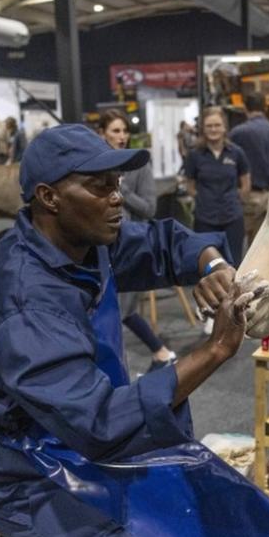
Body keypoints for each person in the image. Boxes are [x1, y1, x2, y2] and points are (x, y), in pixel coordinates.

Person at [0, 124, 257, 537]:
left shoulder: (79, 239)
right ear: (49, 197)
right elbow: (99, 422)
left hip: (78, 432)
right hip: (20, 464)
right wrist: (215, 349)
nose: (117, 198)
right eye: (100, 186)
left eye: (117, 185)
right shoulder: (26, 298)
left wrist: (211, 263)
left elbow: (163, 242)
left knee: (235, 527)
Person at [99, 109, 178, 370]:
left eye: (124, 131)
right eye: (115, 131)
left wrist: (124, 191)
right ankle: (160, 353)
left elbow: (149, 209)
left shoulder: (139, 166)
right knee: (110, 310)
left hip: (129, 248)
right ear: (103, 134)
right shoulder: (96, 163)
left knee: (119, 311)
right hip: (98, 248)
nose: (122, 137)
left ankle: (155, 355)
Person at [183, 107, 251, 266]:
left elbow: (246, 183)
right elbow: (190, 186)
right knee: (209, 266)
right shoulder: (194, 155)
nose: (213, 129)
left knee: (233, 264)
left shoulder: (236, 153)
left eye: (217, 125)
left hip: (232, 219)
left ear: (224, 127)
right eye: (209, 126)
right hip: (204, 220)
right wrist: (205, 200)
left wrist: (234, 201)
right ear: (203, 129)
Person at [228, 92, 269, 247]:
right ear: (265, 107)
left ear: (245, 108)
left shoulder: (237, 133)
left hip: (246, 196)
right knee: (260, 248)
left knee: (236, 246)